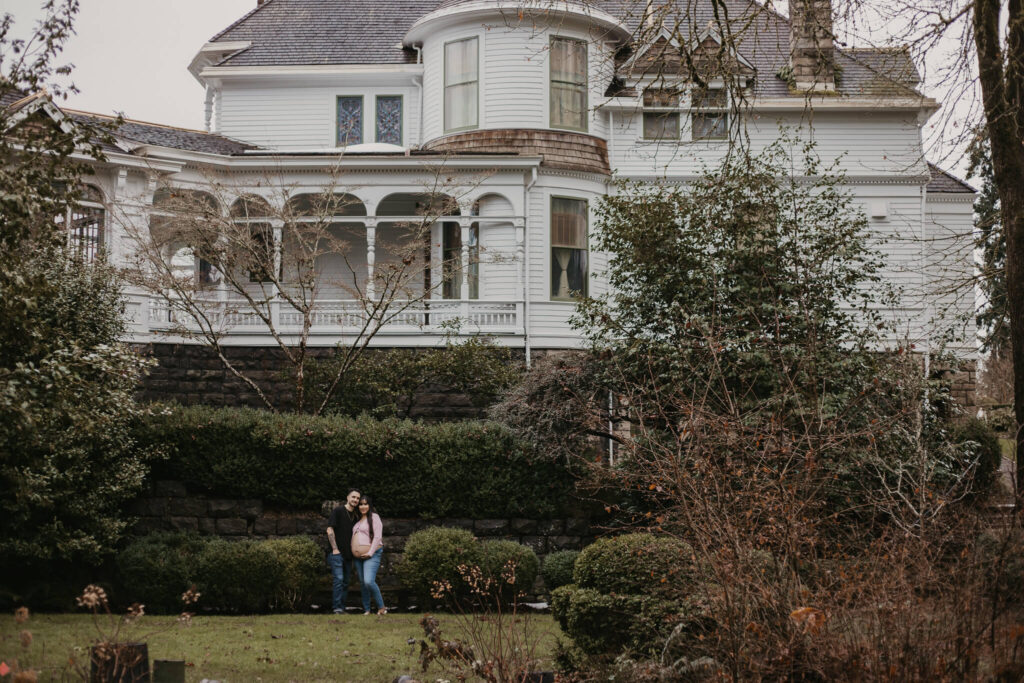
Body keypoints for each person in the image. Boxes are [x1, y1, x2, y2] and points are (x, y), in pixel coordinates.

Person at [326, 488, 361, 614]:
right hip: (336, 554)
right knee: (339, 580)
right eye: (353, 497)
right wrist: (335, 549)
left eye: (357, 498)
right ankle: (337, 608)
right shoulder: (338, 511)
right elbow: (330, 529)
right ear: (347, 497)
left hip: (349, 555)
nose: (355, 500)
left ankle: (342, 607)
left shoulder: (356, 516)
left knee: (346, 582)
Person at [352, 495, 386, 615]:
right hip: (358, 557)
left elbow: (377, 537)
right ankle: (367, 609)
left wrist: (370, 553)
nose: (363, 506)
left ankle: (382, 607)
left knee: (368, 581)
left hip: (372, 554)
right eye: (360, 504)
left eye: (365, 504)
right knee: (362, 583)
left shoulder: (374, 517)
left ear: (370, 505)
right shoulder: (357, 519)